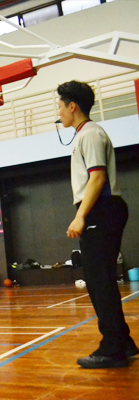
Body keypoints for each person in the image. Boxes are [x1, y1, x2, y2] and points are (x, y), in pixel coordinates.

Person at [56, 80, 137, 369]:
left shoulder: (89, 134)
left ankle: (112, 348)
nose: (59, 111)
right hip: (102, 210)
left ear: (72, 106)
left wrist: (81, 216)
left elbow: (98, 178)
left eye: (60, 105)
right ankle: (123, 342)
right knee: (101, 280)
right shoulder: (86, 134)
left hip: (101, 210)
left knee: (99, 281)